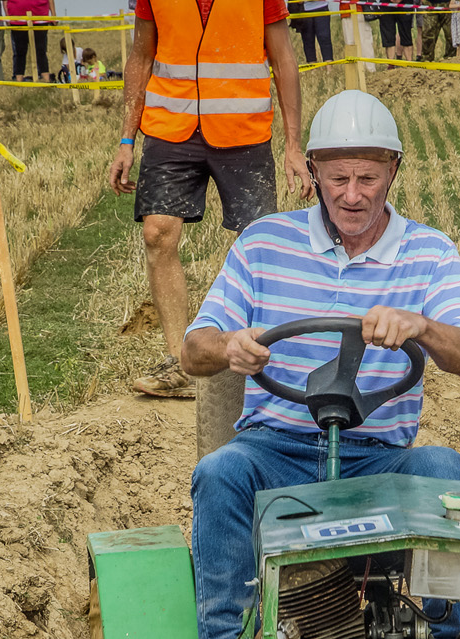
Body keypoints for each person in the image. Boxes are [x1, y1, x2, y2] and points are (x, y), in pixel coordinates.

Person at [177, 90, 460, 639]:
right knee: (219, 472)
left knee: (446, 471)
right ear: (312, 170)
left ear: (392, 172)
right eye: (338, 176)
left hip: (379, 459)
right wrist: (230, 346)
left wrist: (421, 326)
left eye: (368, 177)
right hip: (277, 452)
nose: (352, 194)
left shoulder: (429, 252)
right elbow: (194, 349)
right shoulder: (263, 244)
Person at [110, 0, 312, 412]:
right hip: (170, 127)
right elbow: (141, 55)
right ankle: (179, 362)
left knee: (260, 244)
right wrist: (126, 139)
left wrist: (293, 145)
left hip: (243, 131)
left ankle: (258, 354)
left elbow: (284, 59)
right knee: (157, 232)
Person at [4, 0, 53, 80]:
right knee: (20, 50)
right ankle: (19, 79)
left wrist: (53, 15)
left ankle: (46, 79)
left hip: (40, 16)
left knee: (41, 49)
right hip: (17, 18)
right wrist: (7, 16)